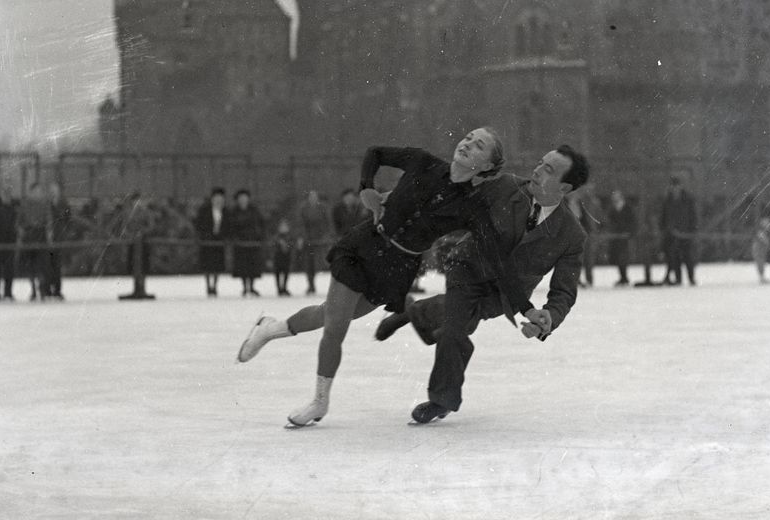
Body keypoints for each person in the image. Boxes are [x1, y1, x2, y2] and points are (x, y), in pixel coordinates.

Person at [237, 128, 541, 427]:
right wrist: (366, 188)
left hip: (397, 268)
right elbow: (376, 153)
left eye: (478, 146)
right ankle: (320, 402)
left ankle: (270, 328)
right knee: (336, 326)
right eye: (467, 138)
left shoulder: (473, 206)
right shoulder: (423, 161)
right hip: (365, 245)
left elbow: (499, 261)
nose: (467, 144)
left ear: (487, 166)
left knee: (326, 314)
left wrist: (526, 308)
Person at [376, 144, 590, 424]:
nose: (537, 171)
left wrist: (550, 316)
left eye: (549, 170)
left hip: (503, 296)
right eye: (540, 163)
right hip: (467, 268)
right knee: (455, 328)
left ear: (564, 188)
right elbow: (455, 197)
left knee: (458, 321)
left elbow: (564, 291)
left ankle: (413, 312)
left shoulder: (572, 235)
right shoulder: (505, 186)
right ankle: (442, 400)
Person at [17, 183, 52, 301]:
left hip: (40, 235)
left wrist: (48, 234)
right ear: (30, 192)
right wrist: (21, 234)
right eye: (35, 191)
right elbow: (19, 222)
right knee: (30, 265)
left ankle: (41, 288)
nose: (38, 193)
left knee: (42, 264)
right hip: (28, 236)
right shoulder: (24, 205)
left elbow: (49, 221)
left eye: (39, 191)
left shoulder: (44, 204)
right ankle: (33, 289)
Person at [660, 177, 697, 286]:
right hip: (672, 233)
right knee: (675, 257)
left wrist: (692, 229)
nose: (675, 188)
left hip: (685, 233)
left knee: (687, 257)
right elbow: (663, 216)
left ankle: (691, 278)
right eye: (673, 186)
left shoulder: (688, 199)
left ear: (680, 186)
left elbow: (693, 215)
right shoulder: (668, 200)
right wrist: (664, 228)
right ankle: (678, 279)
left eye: (676, 186)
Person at [227, 189, 265, 297]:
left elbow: (261, 224)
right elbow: (231, 227)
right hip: (240, 243)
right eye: (241, 198)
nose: (243, 200)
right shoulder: (234, 212)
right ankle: (244, 287)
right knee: (242, 267)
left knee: (253, 266)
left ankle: (252, 286)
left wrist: (259, 236)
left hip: (253, 242)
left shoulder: (254, 210)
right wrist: (235, 238)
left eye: (245, 198)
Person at [194, 188, 227, 296]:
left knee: (217, 265)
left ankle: (215, 285)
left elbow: (229, 226)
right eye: (216, 198)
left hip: (219, 241)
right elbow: (199, 225)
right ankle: (208, 285)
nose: (218, 200)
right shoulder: (205, 211)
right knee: (207, 265)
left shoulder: (225, 211)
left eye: (220, 198)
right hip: (207, 241)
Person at [297, 190, 330, 296]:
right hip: (308, 240)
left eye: (315, 196)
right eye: (311, 197)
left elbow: (327, 223)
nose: (313, 198)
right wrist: (302, 237)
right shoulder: (303, 209)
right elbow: (301, 224)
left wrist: (325, 236)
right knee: (309, 264)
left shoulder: (323, 208)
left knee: (321, 262)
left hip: (320, 240)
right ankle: (311, 285)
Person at [604, 189, 637, 286]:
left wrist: (629, 233)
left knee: (624, 258)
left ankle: (625, 277)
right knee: (617, 257)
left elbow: (632, 222)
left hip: (626, 237)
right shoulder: (612, 209)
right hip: (616, 237)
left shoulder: (628, 208)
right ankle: (622, 277)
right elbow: (610, 222)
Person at [48, 182, 75, 299]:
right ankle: (47, 289)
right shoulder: (47, 203)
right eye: (51, 189)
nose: (53, 191)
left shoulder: (64, 203)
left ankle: (57, 290)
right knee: (48, 264)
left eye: (55, 189)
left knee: (57, 264)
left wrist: (66, 232)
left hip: (59, 236)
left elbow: (69, 219)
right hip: (48, 237)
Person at [271, 218, 294, 296]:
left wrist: (286, 245)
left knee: (286, 273)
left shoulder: (290, 236)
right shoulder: (276, 237)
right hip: (278, 258)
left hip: (286, 258)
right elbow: (273, 247)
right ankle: (279, 288)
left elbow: (292, 247)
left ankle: (284, 287)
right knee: (277, 273)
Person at [752, 215, 770, 284]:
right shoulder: (761, 232)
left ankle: (762, 277)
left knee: (762, 263)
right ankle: (761, 278)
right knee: (760, 263)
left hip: (761, 250)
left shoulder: (765, 232)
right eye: (768, 224)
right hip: (758, 250)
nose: (769, 225)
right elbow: (766, 241)